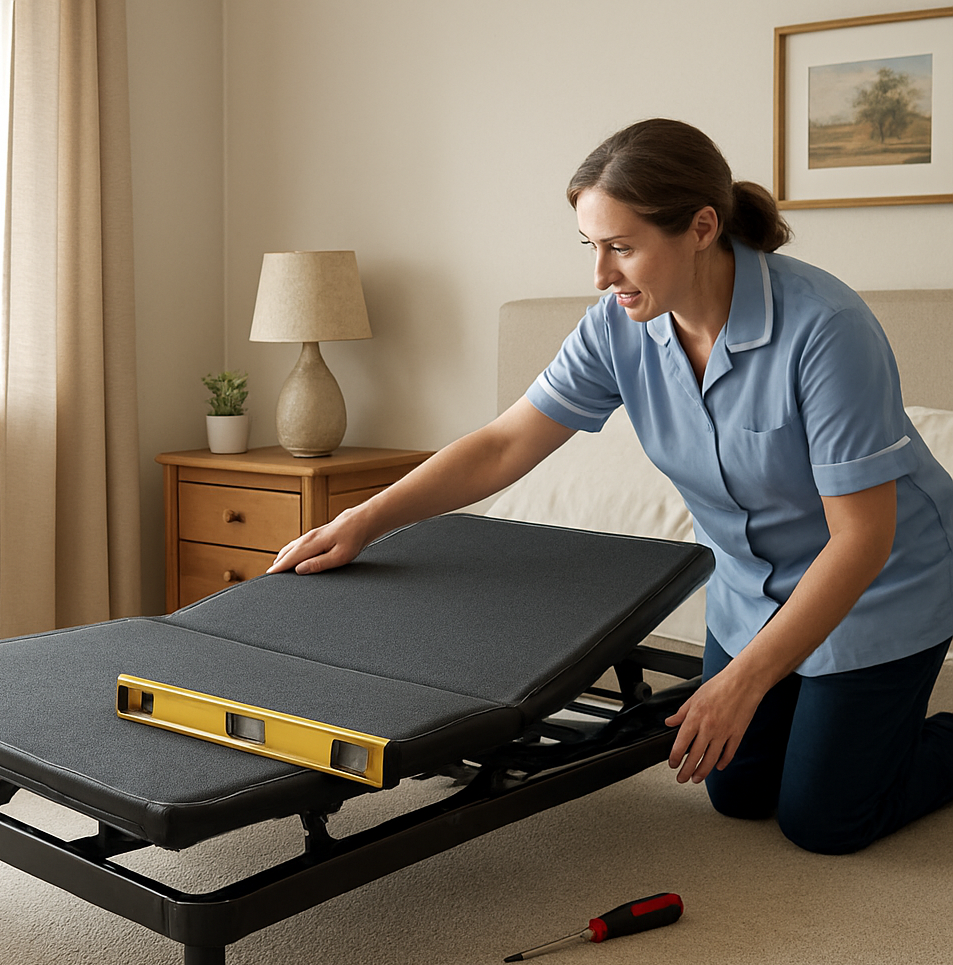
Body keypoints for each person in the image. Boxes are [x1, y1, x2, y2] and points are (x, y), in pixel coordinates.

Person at [271, 118, 953, 855]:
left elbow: (862, 538)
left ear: (700, 227)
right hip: (750, 591)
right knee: (738, 792)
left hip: (881, 584)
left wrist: (740, 685)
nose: (601, 277)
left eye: (622, 249)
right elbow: (503, 445)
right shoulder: (617, 325)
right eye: (591, 247)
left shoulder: (825, 328)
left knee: (825, 821)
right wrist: (365, 521)